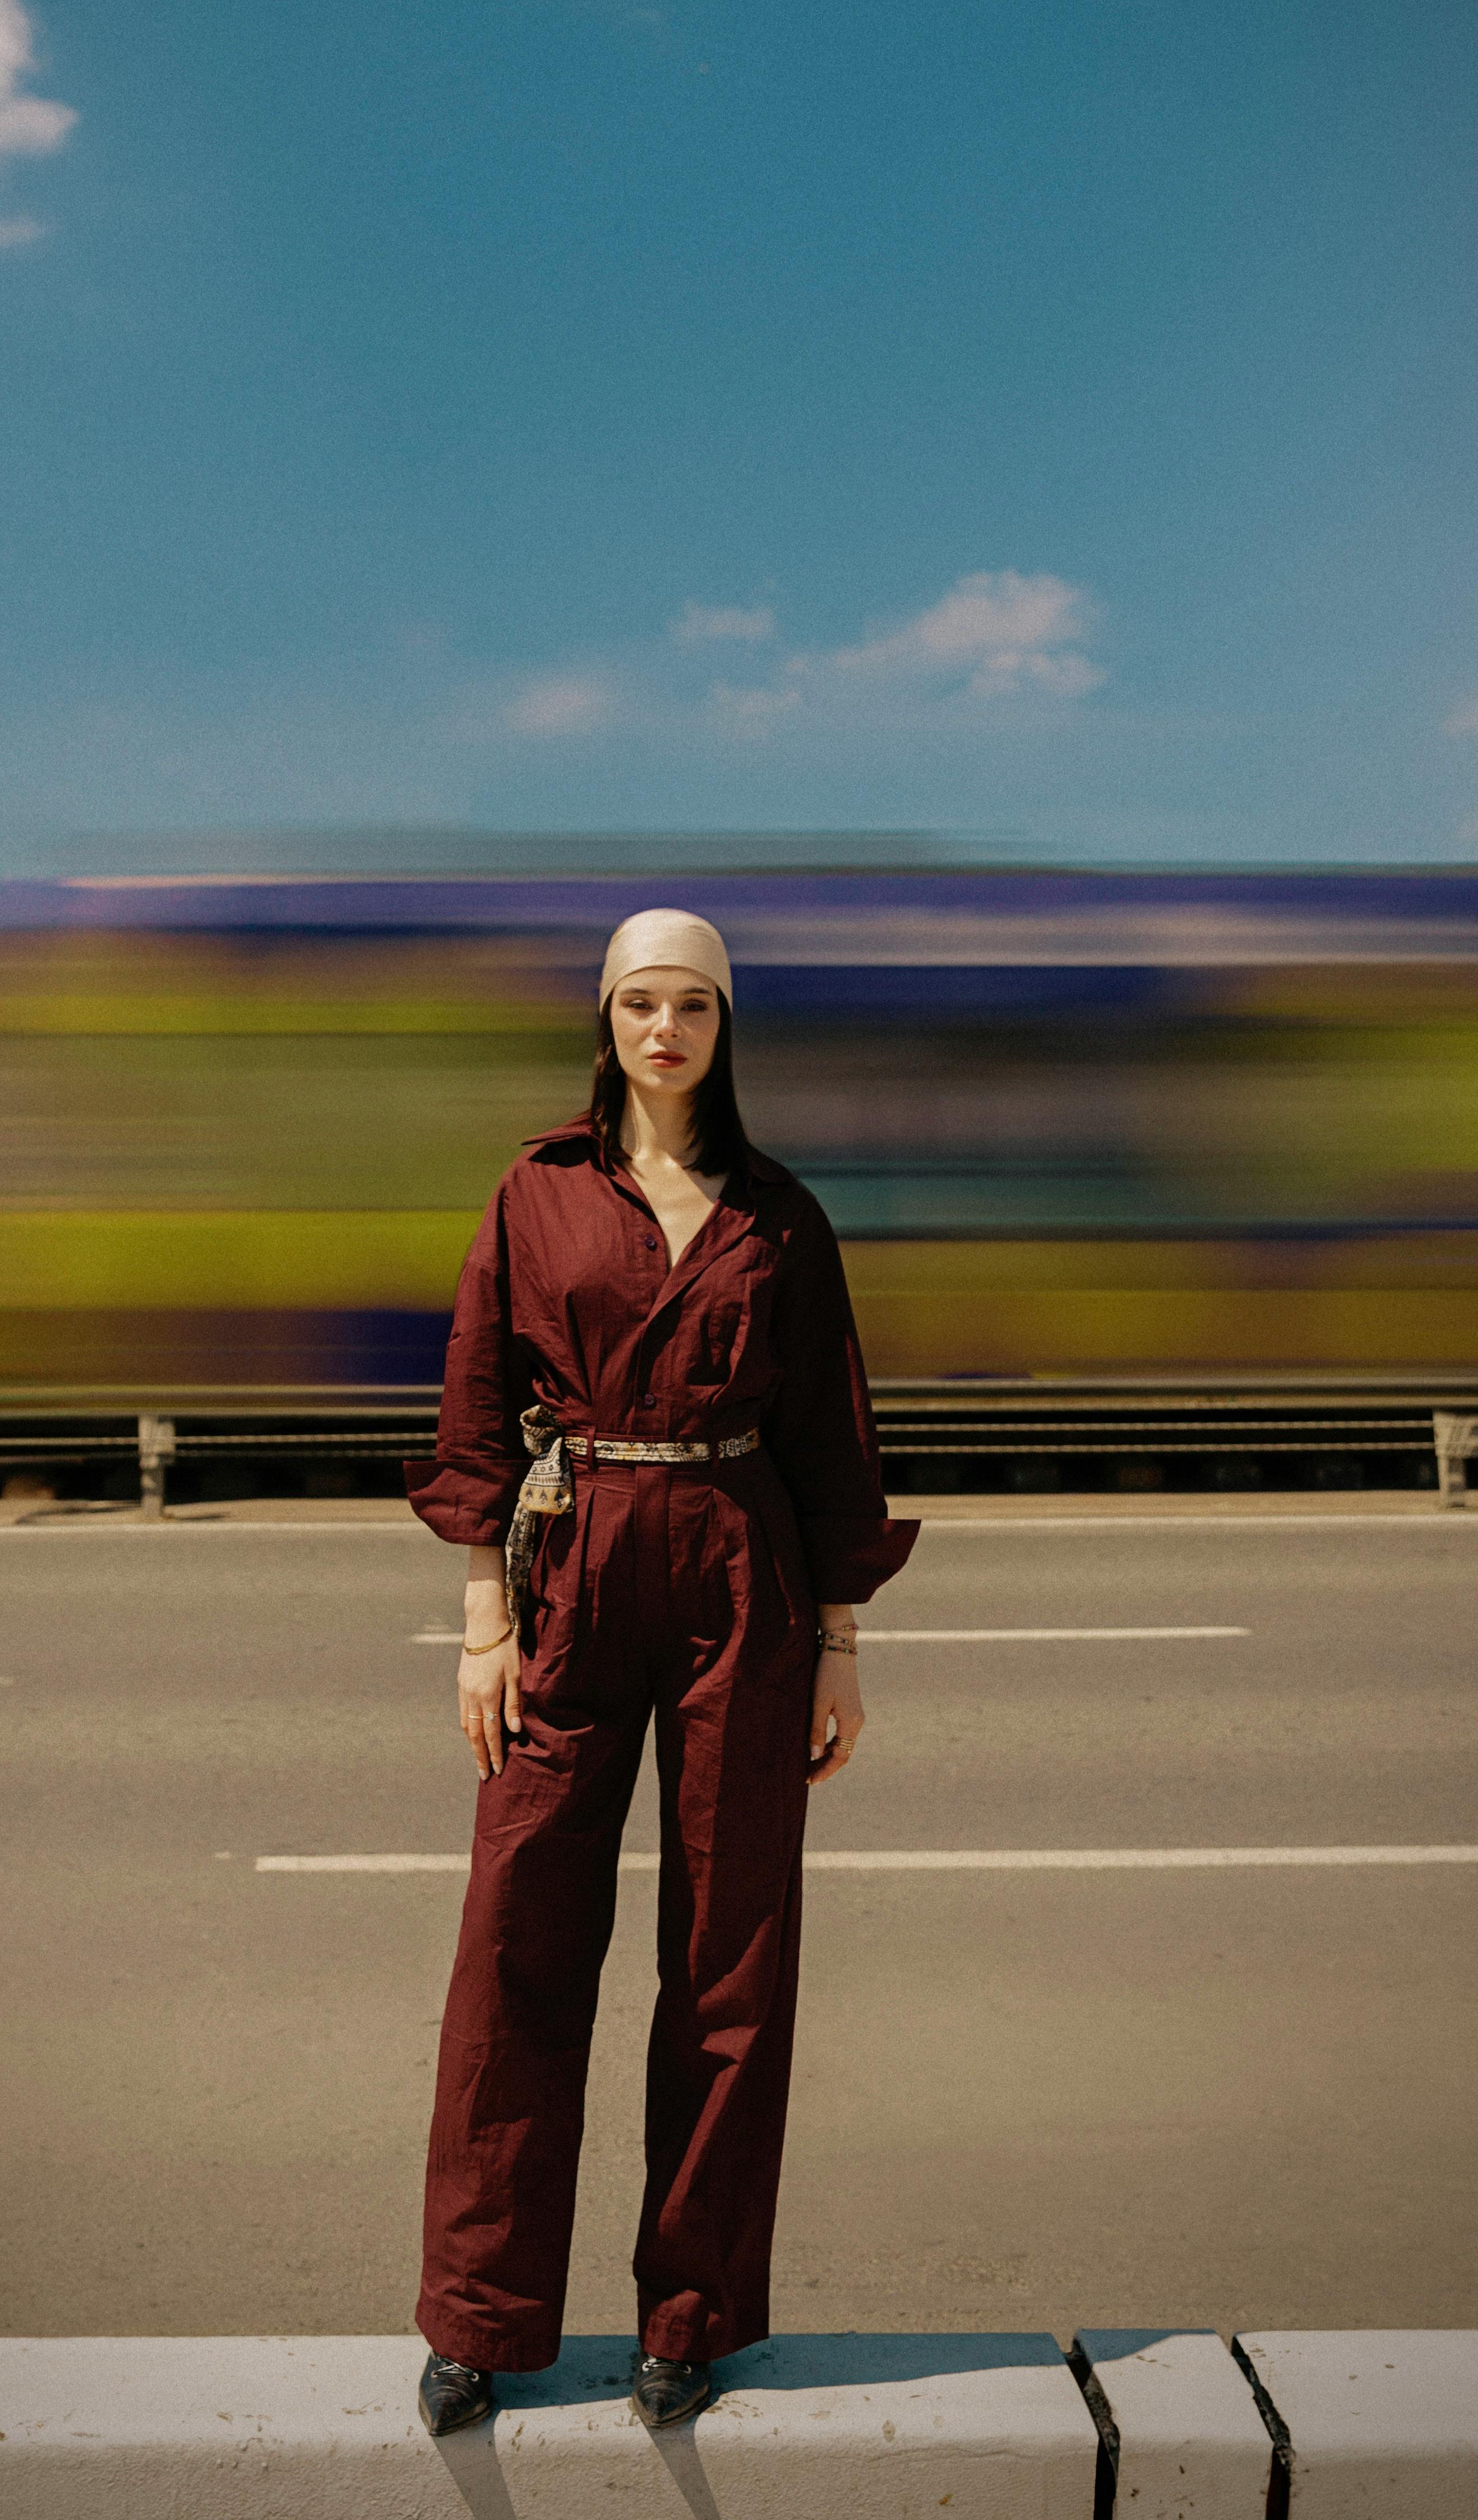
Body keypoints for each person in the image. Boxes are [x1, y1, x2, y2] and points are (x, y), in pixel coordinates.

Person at [406, 906, 918, 2437]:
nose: (666, 1028)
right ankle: (481, 2319)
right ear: (608, 1018)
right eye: (641, 1001)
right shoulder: (538, 1192)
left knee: (729, 1953)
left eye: (693, 1003)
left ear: (724, 1025)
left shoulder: (781, 1215)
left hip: (742, 1570)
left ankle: (688, 2317)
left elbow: (833, 1438)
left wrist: (840, 1640)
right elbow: (479, 1411)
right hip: (574, 1563)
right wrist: (482, 1620)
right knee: (519, 1933)